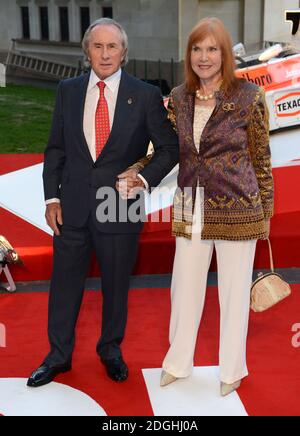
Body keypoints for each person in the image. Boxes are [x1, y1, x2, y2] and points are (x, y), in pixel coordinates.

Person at [123, 17, 274, 397]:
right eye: (196, 49)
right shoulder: (178, 97)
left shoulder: (249, 97)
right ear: (188, 54)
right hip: (190, 202)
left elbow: (261, 159)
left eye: (212, 49)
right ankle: (177, 362)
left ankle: (231, 370)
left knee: (233, 293)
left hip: (239, 205)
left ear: (224, 54)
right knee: (184, 289)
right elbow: (165, 149)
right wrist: (137, 170)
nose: (203, 57)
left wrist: (266, 213)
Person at [27, 18, 178, 388]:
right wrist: (52, 197)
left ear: (124, 53)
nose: (105, 53)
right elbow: (56, 149)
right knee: (64, 286)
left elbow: (170, 148)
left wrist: (142, 179)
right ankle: (57, 356)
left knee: (115, 285)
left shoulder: (143, 95)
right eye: (98, 46)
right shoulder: (68, 90)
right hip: (72, 205)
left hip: (120, 204)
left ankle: (110, 349)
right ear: (87, 51)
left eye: (112, 47)